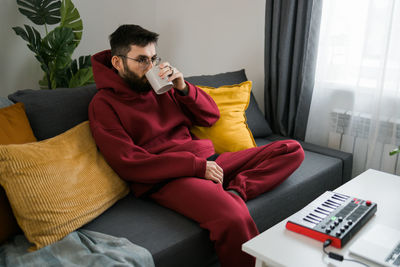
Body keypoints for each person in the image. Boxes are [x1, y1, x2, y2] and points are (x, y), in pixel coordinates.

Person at [88, 24, 304, 267]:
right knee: (233, 217)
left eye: (153, 58)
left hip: (207, 162)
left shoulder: (161, 86)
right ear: (118, 62)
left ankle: (235, 191)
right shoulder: (103, 104)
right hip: (167, 178)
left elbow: (211, 116)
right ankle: (227, 199)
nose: (150, 67)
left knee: (291, 150)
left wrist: (183, 87)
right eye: (141, 60)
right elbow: (128, 163)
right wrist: (194, 167)